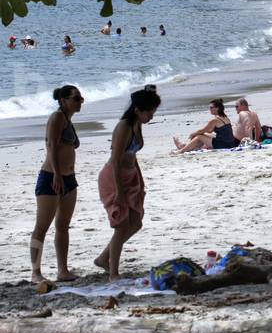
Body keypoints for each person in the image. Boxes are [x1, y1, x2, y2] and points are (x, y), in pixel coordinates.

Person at [96, 85, 160, 281]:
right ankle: (113, 273)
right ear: (137, 110)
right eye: (149, 113)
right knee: (122, 225)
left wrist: (139, 178)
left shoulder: (137, 124)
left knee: (136, 223)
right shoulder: (124, 126)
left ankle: (103, 258)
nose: (151, 117)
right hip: (114, 177)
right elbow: (115, 160)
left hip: (130, 176)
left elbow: (133, 155)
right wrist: (120, 192)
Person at [30, 85, 84, 283]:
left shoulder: (68, 120)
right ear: (63, 100)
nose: (80, 102)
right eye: (76, 98)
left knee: (63, 226)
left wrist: (64, 176)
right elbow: (51, 146)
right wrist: (57, 175)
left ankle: (63, 270)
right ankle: (36, 272)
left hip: (69, 179)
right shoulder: (57, 117)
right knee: (42, 226)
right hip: (51, 177)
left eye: (81, 98)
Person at [172, 99, 237, 153]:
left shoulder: (215, 120)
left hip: (224, 145)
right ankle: (188, 147)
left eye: (211, 107)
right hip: (230, 143)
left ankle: (181, 151)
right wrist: (202, 133)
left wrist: (192, 134)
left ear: (217, 108)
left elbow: (202, 130)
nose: (210, 109)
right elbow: (209, 131)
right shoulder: (225, 117)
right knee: (204, 135)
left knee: (199, 136)